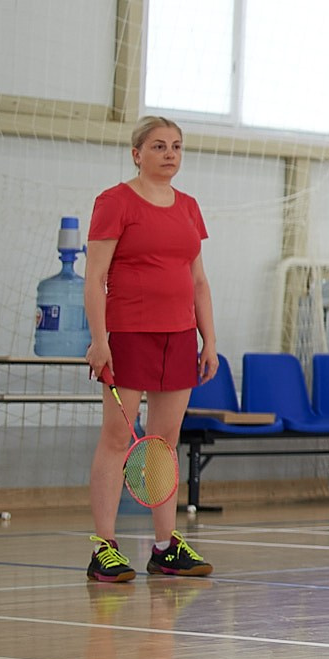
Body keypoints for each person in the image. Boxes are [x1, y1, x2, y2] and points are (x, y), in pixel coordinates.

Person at [82, 116, 217, 582]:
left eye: (176, 146)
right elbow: (95, 278)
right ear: (137, 153)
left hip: (178, 337)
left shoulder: (189, 207)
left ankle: (165, 547)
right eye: (158, 146)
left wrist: (209, 340)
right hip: (128, 334)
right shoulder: (115, 202)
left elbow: (198, 281)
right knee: (117, 440)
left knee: (163, 443)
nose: (169, 153)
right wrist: (100, 340)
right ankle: (104, 547)